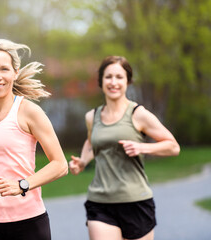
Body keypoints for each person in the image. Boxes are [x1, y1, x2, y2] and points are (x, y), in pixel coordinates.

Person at [0, 38, 68, 240]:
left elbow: (60, 165)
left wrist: (22, 184)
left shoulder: (29, 113)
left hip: (28, 224)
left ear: (15, 72)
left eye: (4, 69)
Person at [69, 56, 180, 240]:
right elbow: (91, 142)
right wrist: (82, 162)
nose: (114, 82)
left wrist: (142, 148)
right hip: (100, 202)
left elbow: (173, 146)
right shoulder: (92, 116)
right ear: (101, 81)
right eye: (108, 77)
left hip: (135, 202)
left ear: (128, 81)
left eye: (119, 77)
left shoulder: (139, 114)